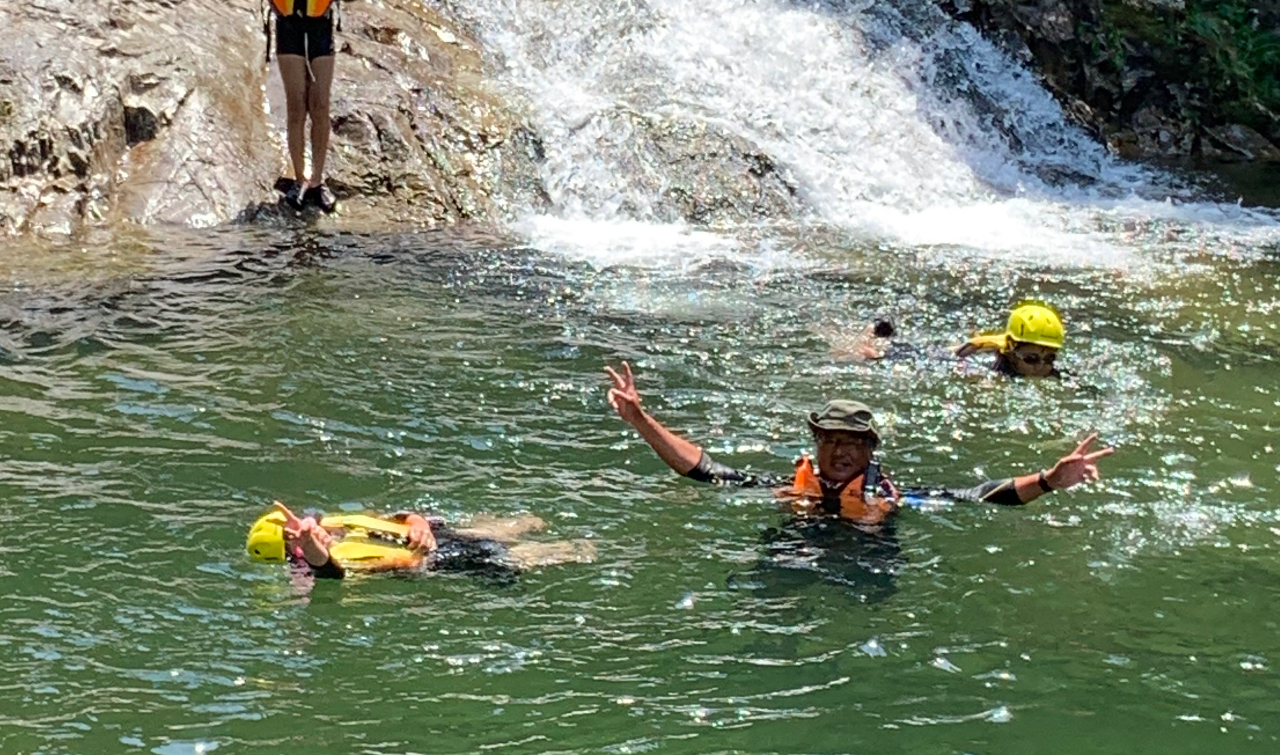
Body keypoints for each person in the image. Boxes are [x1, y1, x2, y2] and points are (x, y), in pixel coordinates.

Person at [603, 362, 1111, 524]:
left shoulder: (889, 494)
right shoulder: (794, 484)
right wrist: (642, 419)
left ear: (870, 452)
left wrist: (1047, 480)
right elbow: (707, 471)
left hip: (866, 564)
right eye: (832, 440)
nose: (842, 451)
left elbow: (977, 495)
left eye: (854, 443)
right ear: (816, 442)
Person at [221, 0, 387, 213]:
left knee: (320, 104)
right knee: (297, 105)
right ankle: (298, 179)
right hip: (289, 29)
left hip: (321, 30)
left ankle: (318, 181)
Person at [247, 501, 593, 582]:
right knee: (576, 552)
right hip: (443, 559)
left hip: (436, 533)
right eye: (298, 532)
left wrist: (418, 522)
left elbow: (398, 516)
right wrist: (309, 543)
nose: (310, 525)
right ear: (296, 553)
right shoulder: (331, 563)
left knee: (531, 520)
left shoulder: (336, 524)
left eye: (303, 521)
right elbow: (327, 569)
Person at [956, 301, 1064, 378]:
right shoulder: (993, 365)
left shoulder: (1050, 369)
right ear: (1011, 352)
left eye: (1049, 358)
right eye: (1031, 359)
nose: (1041, 366)